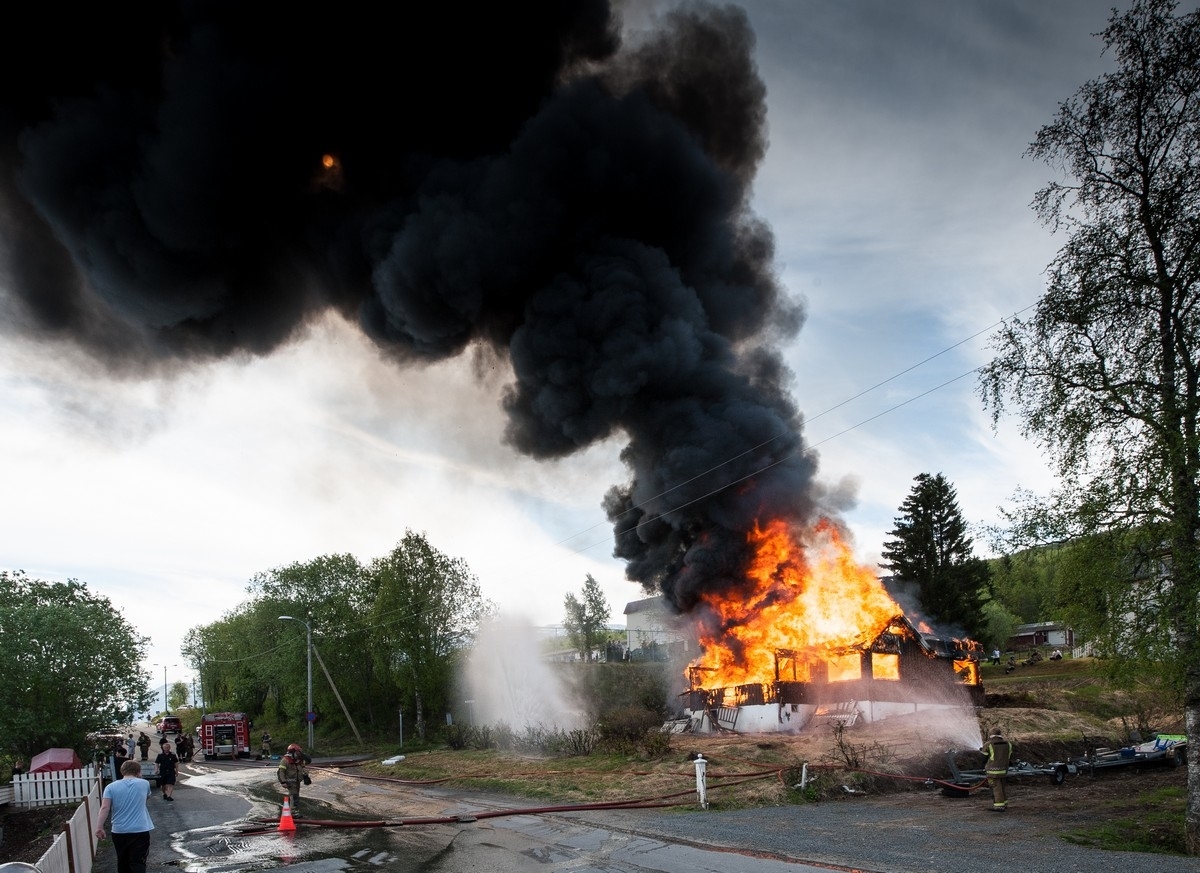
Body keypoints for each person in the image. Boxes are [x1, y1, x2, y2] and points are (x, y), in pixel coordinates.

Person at [95, 758, 154, 873]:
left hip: (119, 830)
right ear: (138, 771)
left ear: (122, 772)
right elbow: (146, 799)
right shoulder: (144, 784)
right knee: (138, 861)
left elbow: (105, 808)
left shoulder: (110, 787)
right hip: (140, 829)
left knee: (122, 861)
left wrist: (99, 827)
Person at [981, 729, 1014, 812]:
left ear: (991, 735)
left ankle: (999, 806)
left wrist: (981, 750)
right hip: (1004, 769)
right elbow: (1009, 756)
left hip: (992, 770)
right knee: (1002, 786)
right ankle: (1004, 803)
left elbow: (983, 757)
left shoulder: (989, 744)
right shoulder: (1008, 744)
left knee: (996, 787)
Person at [276, 743, 312, 815]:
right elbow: (281, 772)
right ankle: (292, 812)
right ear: (291, 752)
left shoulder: (298, 760)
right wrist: (283, 782)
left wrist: (306, 776)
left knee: (296, 795)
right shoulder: (285, 760)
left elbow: (303, 768)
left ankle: (295, 810)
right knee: (293, 795)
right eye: (297, 753)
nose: (298, 755)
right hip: (290, 781)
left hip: (297, 781)